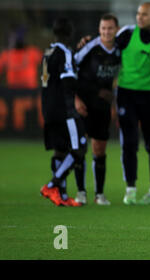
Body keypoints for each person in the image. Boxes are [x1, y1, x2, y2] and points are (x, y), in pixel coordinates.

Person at [114, 2, 150, 205]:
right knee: (129, 142)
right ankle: (130, 188)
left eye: (145, 14)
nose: (140, 17)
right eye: (139, 14)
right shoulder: (126, 34)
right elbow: (106, 49)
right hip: (127, 94)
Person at [72, 13, 121, 205]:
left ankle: (99, 194)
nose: (106, 32)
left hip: (102, 105)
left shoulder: (120, 49)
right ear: (99, 30)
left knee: (99, 148)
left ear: (116, 29)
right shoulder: (89, 48)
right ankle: (81, 192)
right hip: (83, 103)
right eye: (103, 29)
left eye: (110, 28)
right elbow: (70, 68)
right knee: (79, 148)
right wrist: (75, 99)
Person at [39, 17, 86, 207]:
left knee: (60, 150)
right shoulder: (65, 52)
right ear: (70, 33)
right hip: (64, 110)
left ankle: (62, 196)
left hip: (48, 107)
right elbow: (68, 81)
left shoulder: (48, 52)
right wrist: (81, 95)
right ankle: (52, 185)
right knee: (79, 147)